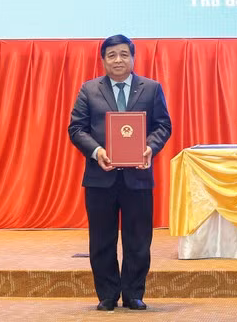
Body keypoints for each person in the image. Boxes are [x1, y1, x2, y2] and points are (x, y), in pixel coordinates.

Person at [68, 35, 172, 311]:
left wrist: (150, 147)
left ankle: (133, 293)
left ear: (133, 58)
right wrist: (97, 151)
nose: (118, 60)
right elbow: (76, 129)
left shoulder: (150, 88)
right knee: (102, 239)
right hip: (100, 176)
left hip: (137, 177)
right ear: (103, 59)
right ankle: (107, 294)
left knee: (138, 239)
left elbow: (163, 125)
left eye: (124, 54)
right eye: (112, 55)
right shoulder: (89, 90)